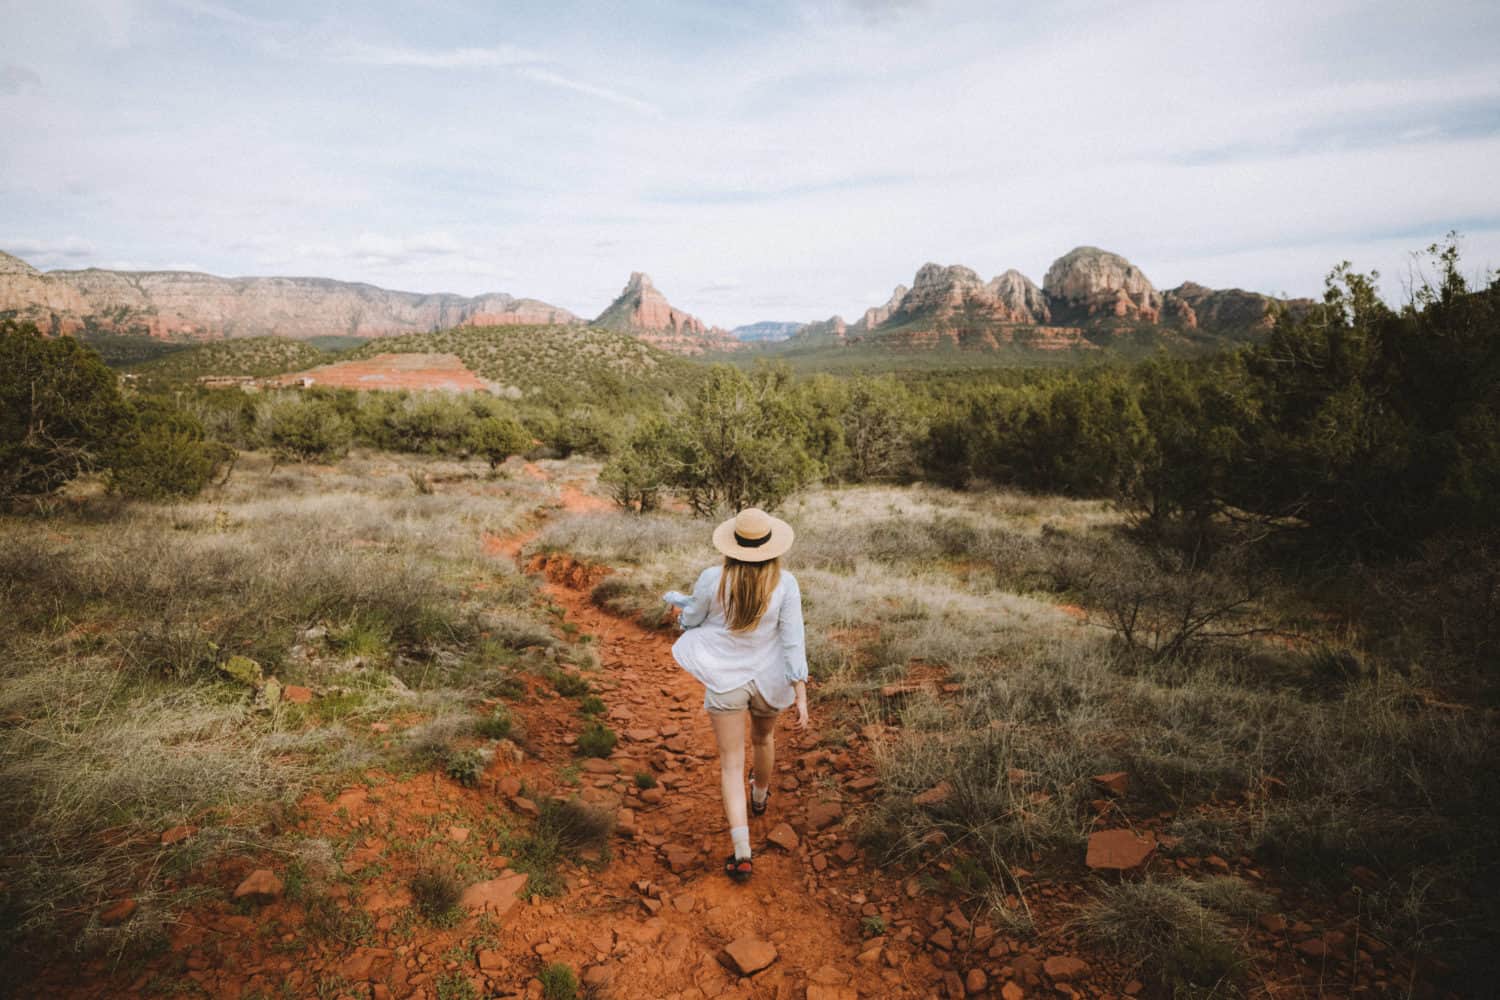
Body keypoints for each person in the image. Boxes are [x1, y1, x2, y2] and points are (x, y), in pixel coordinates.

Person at [663, 507, 809, 883]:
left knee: (730, 762)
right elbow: (793, 641)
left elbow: (692, 619)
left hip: (725, 678)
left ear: (733, 544)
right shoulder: (786, 583)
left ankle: (742, 852)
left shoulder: (714, 578)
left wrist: (678, 613)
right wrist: (801, 691)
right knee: (763, 739)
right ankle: (760, 797)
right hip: (769, 680)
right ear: (771, 546)